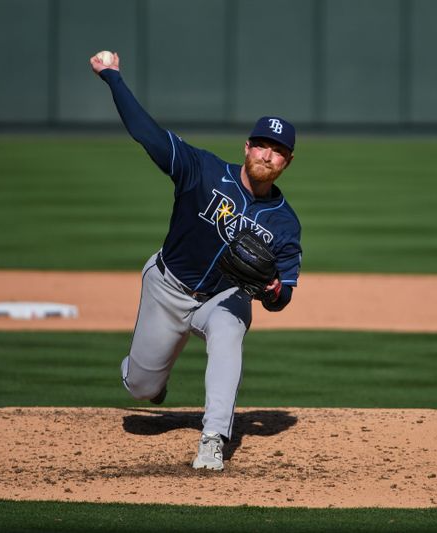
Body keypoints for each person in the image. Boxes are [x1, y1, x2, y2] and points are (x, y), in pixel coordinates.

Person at [90, 51, 302, 471]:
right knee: (139, 388)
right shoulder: (202, 171)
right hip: (167, 287)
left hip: (222, 299)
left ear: (287, 162)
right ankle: (152, 378)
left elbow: (284, 294)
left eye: (278, 151)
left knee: (229, 333)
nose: (267, 155)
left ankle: (213, 438)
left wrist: (273, 292)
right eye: (261, 144)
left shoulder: (285, 223)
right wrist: (112, 77)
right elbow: (148, 134)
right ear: (247, 147)